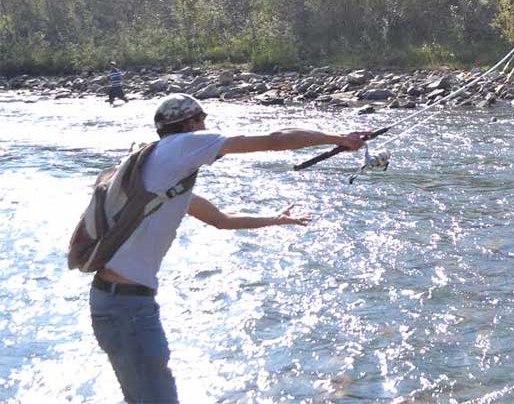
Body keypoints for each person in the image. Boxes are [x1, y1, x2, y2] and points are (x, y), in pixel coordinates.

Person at [89, 93, 366, 403]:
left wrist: (275, 220)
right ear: (191, 124)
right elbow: (275, 140)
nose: (208, 128)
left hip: (112, 301)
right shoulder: (184, 145)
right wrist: (339, 138)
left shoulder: (159, 173)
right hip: (128, 310)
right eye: (203, 121)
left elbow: (220, 219)